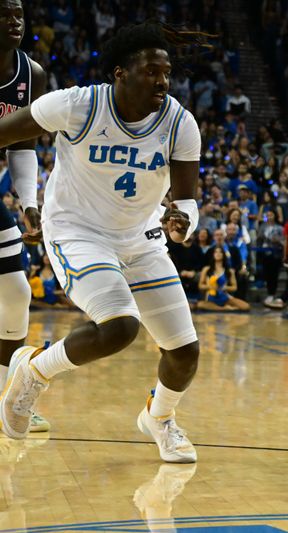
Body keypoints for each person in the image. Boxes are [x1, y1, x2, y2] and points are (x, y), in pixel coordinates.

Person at [0, 22, 205, 463]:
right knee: (120, 326)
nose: (162, 82)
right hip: (78, 232)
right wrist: (26, 197)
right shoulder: (77, 105)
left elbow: (187, 200)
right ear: (120, 73)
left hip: (141, 238)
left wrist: (183, 219)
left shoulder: (180, 122)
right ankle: (35, 372)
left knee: (185, 352)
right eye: (151, 72)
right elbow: (6, 132)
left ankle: (159, 418)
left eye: (166, 73)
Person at [0, 0, 49, 432]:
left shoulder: (31, 74)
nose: (14, 21)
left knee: (16, 291)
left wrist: (28, 203)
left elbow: (23, 147)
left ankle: (4, 399)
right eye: (4, 13)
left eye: (18, 13)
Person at [197, 246, 250, 311]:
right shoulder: (206, 269)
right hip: (210, 298)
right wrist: (210, 287)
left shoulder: (229, 271)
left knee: (246, 306)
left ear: (224, 255)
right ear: (213, 255)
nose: (218, 254)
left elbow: (234, 287)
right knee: (200, 304)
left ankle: (222, 308)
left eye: (220, 252)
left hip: (225, 297)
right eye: (216, 252)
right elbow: (200, 286)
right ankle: (224, 308)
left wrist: (225, 288)